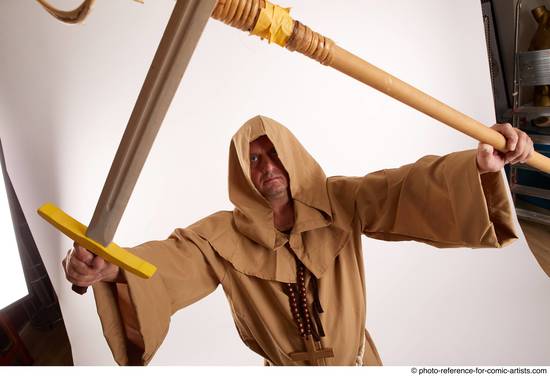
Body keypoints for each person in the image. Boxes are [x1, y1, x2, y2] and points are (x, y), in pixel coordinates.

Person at [62, 115, 533, 366]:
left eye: (272, 154)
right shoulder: (222, 235)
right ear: (242, 174)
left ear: (291, 156)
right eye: (253, 160)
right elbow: (176, 258)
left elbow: (405, 187)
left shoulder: (343, 201)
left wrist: (478, 166)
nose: (266, 166)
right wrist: (114, 267)